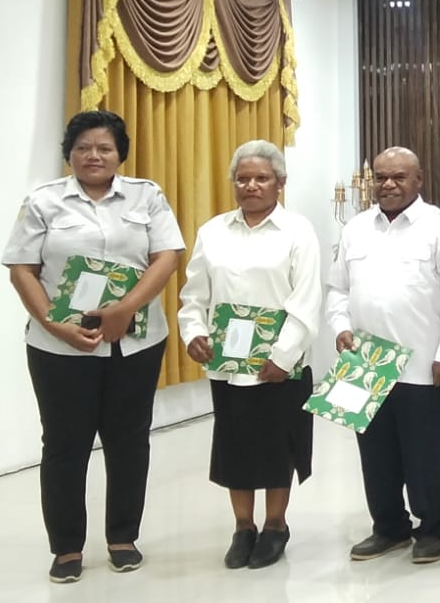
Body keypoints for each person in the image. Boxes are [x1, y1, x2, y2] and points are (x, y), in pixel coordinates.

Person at [2, 110, 185, 583]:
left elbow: (166, 256)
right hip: (59, 347)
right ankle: (66, 547)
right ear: (69, 154)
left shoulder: (147, 196)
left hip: (135, 341)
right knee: (65, 444)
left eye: (104, 147)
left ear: (120, 154)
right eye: (83, 147)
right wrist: (55, 324)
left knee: (129, 441)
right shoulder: (43, 201)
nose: (94, 156)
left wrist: (126, 308)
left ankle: (123, 538)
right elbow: (22, 268)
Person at [178, 140, 322, 570]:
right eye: (243, 179)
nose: (251, 185)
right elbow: (194, 295)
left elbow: (306, 299)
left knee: (279, 447)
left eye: (262, 178)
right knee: (234, 447)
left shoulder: (298, 231)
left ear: (280, 183)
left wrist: (282, 356)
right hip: (227, 364)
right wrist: (194, 333)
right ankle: (243, 527)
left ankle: (275, 525)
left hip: (280, 366)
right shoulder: (213, 231)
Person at [329, 147, 440, 565]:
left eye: (398, 177)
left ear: (418, 180)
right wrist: (340, 327)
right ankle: (388, 527)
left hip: (423, 360)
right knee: (375, 453)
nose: (388, 184)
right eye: (381, 177)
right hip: (364, 360)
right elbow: (337, 288)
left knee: (425, 453)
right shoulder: (355, 228)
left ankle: (433, 528)